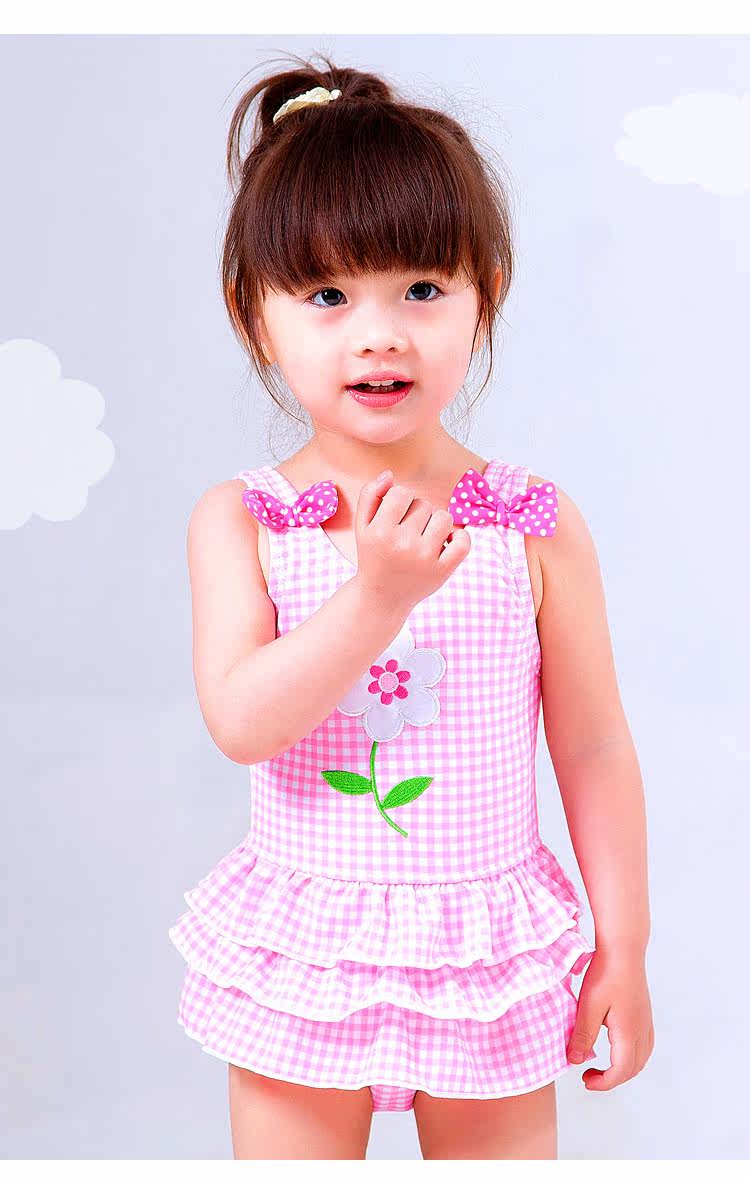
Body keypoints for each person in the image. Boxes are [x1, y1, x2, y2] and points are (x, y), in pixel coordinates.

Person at [168, 51, 654, 1160]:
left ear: (486, 294)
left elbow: (591, 745)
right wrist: (375, 598)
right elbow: (242, 720)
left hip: (486, 955)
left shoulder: (530, 523)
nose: (380, 333)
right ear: (254, 315)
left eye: (423, 290)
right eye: (328, 296)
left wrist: (622, 943)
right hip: (309, 951)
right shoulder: (246, 521)